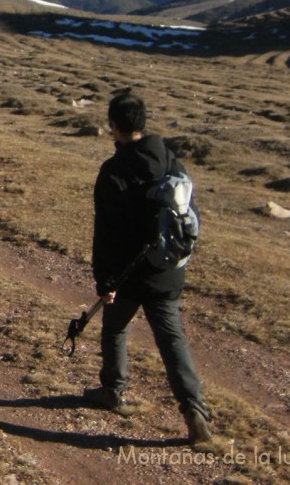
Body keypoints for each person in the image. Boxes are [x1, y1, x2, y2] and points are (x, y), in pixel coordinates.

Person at [85, 90, 212, 444]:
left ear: (114, 126)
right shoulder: (170, 160)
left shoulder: (113, 172)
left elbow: (105, 233)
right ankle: (194, 409)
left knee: (115, 328)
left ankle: (113, 389)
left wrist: (104, 280)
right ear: (143, 123)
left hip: (128, 273)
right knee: (172, 340)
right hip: (167, 268)